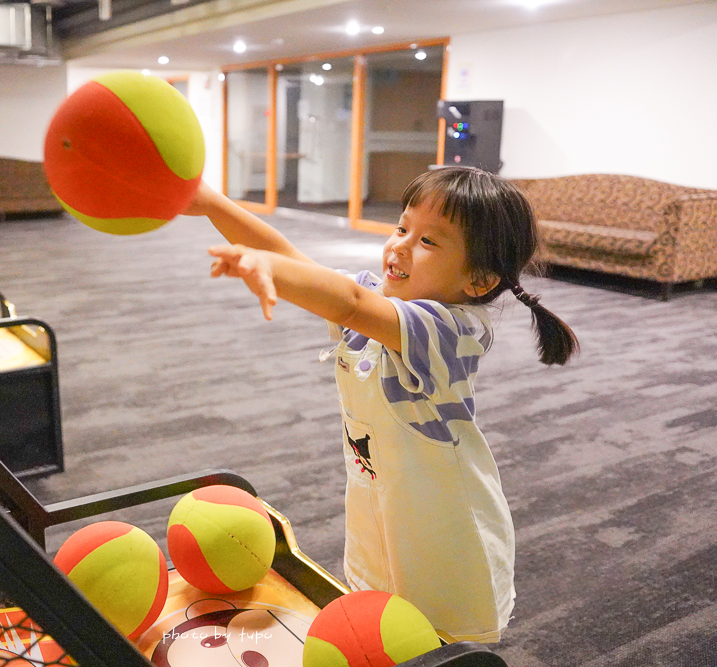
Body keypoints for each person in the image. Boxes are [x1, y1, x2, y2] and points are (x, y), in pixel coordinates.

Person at [183, 166, 578, 642]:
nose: (401, 245)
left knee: (437, 640)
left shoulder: (451, 329)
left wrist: (272, 271)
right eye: (402, 227)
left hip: (443, 529)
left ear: (477, 280)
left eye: (429, 241)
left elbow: (346, 301)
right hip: (381, 507)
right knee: (381, 628)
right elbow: (301, 265)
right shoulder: (383, 303)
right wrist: (210, 203)